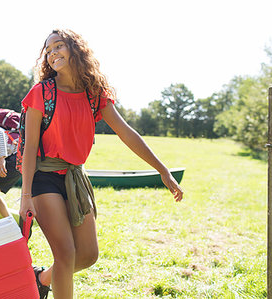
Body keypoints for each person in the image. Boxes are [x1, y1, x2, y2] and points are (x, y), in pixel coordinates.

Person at [18, 29, 184, 299]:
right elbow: (29, 148)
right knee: (66, 254)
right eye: (48, 51)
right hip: (43, 177)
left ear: (75, 49)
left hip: (75, 177)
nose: (52, 53)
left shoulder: (94, 93)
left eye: (58, 46)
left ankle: (42, 278)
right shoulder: (41, 92)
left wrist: (162, 170)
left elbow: (126, 132)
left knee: (87, 255)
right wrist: (26, 195)